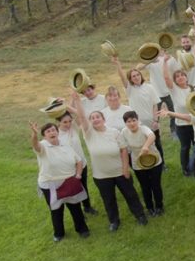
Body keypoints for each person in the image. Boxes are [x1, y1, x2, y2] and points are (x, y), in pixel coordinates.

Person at [70, 90, 148, 231]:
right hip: (101, 176)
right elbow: (81, 117)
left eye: (98, 117)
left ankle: (140, 215)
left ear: (103, 119)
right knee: (109, 200)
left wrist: (125, 168)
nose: (95, 119)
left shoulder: (114, 132)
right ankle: (114, 221)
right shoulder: (88, 134)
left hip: (120, 172)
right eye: (92, 118)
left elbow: (124, 150)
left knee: (131, 195)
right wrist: (77, 100)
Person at [29, 121, 90, 241]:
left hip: (70, 181)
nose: (51, 132)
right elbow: (35, 145)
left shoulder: (65, 144)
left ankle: (82, 229)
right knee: (56, 209)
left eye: (53, 130)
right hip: (50, 184)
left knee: (75, 206)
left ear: (57, 132)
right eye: (48, 131)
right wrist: (34, 134)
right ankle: (59, 234)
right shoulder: (43, 146)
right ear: (44, 136)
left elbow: (78, 161)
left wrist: (78, 175)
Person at [120, 110, 164, 217]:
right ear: (125, 123)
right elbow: (123, 149)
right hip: (138, 163)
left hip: (154, 160)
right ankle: (149, 208)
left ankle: (159, 206)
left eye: (134, 120)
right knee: (145, 186)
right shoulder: (124, 132)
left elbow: (152, 136)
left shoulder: (144, 128)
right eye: (128, 121)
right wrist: (125, 166)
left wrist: (146, 146)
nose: (132, 123)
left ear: (138, 120)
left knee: (155, 185)